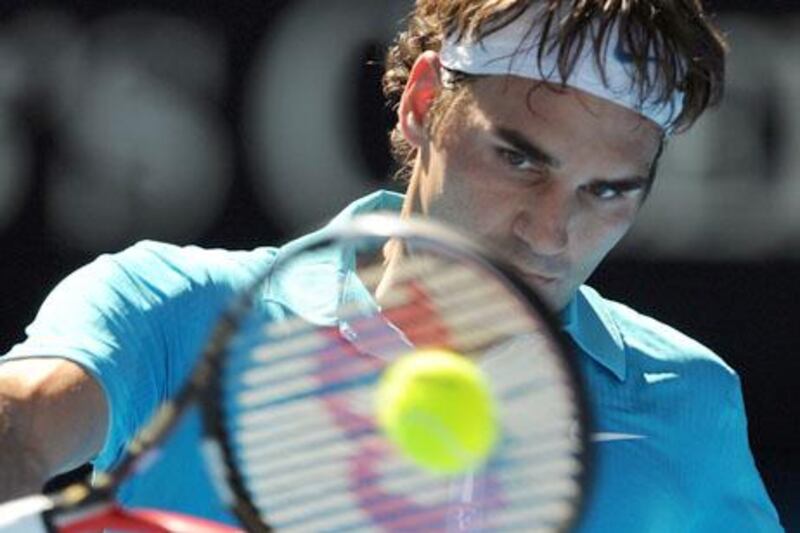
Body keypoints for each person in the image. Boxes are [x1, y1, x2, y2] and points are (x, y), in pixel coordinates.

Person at [0, 0, 785, 530]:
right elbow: (21, 424)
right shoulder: (168, 308)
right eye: (518, 158)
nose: (550, 231)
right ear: (421, 106)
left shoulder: (688, 401)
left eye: (607, 191)